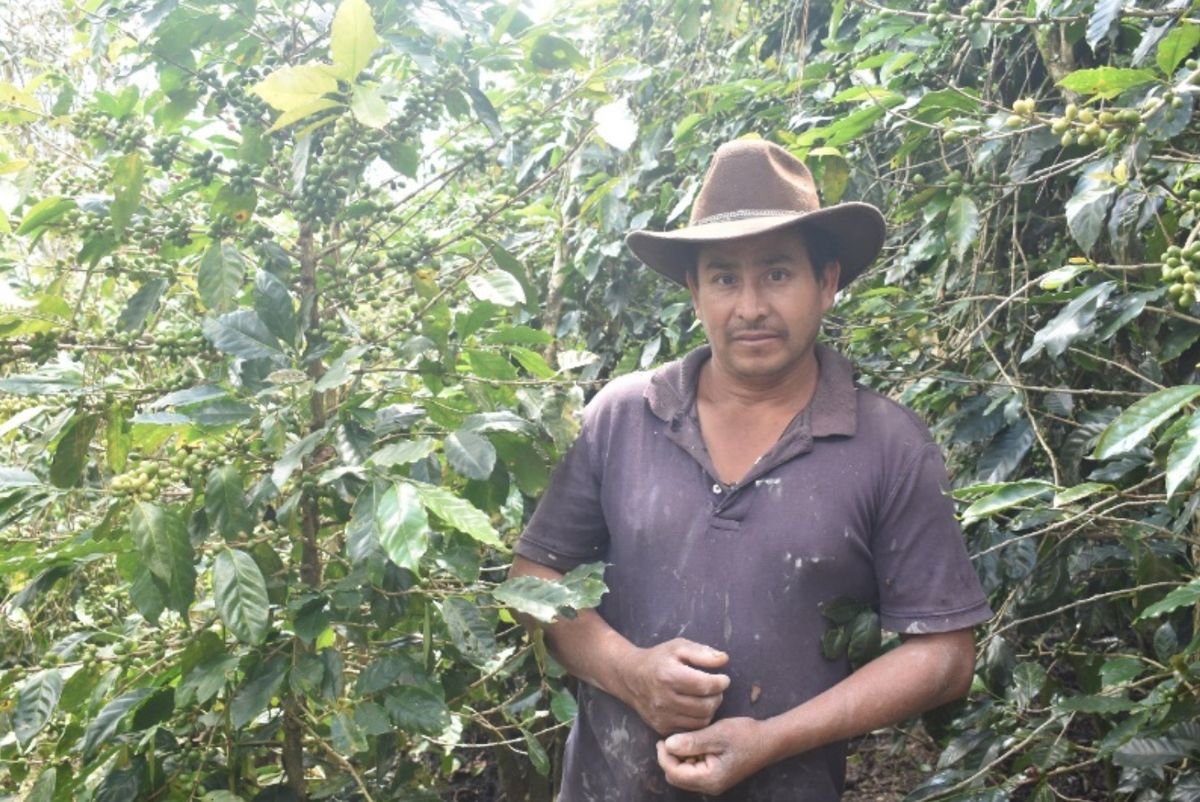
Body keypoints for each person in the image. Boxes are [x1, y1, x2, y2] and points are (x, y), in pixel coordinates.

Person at [508, 138, 992, 801]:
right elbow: (534, 579)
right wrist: (630, 674)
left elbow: (945, 656)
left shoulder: (889, 445)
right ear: (694, 292)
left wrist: (775, 738)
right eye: (724, 278)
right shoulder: (623, 416)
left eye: (777, 274)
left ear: (827, 283)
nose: (750, 307)